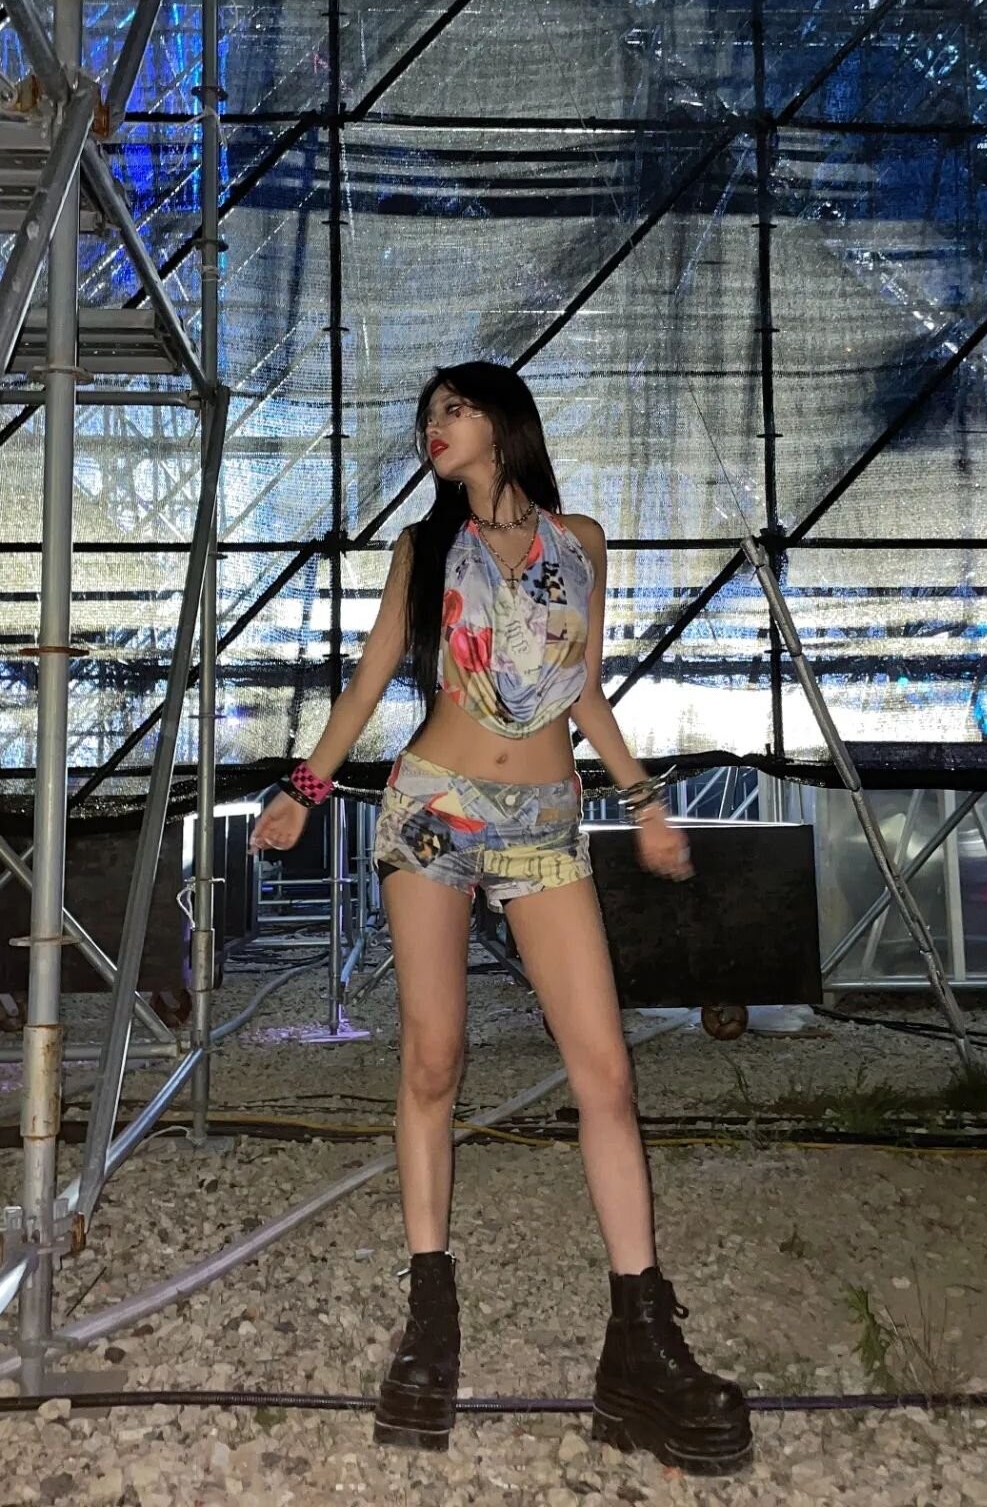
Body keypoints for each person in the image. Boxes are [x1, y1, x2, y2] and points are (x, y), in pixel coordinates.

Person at [247, 362, 752, 1477]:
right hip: (436, 808)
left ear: (502, 422)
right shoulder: (424, 550)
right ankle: (430, 1323)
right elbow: (374, 677)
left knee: (604, 1069)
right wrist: (304, 790)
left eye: (455, 409)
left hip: (548, 820)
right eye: (428, 415)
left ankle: (641, 1345)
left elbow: (583, 690)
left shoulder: (583, 541)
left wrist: (645, 802)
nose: (434, 427)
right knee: (434, 1060)